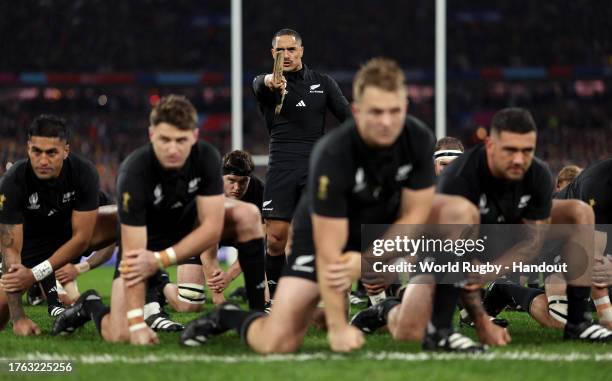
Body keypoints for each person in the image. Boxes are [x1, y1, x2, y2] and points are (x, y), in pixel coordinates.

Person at [181, 58, 500, 353]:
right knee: (278, 341)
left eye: (393, 111)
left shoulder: (416, 138)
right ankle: (229, 316)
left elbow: (417, 213)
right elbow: (330, 245)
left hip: (375, 230)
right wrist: (337, 326)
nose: (386, 121)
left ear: (404, 107)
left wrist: (372, 257)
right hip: (319, 239)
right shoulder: (334, 153)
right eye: (376, 112)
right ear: (358, 111)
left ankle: (439, 329)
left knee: (456, 212)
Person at [52, 95, 266, 345]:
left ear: (195, 136)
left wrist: (161, 260)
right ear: (152, 134)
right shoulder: (134, 171)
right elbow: (133, 251)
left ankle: (257, 315)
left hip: (186, 229)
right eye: (165, 139)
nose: (173, 149)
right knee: (121, 333)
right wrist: (136, 323)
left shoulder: (206, 157)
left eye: (181, 140)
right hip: (145, 238)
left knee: (248, 214)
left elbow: (211, 227)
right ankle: (90, 304)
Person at [435, 108, 611, 342]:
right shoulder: (458, 180)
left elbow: (534, 241)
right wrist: (481, 322)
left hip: (514, 235)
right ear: (490, 145)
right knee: (411, 323)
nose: (519, 159)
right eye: (510, 150)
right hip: (473, 241)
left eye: (526, 150)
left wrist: (494, 271)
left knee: (579, 211)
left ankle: (578, 323)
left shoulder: (537, 173)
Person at [253, 28, 352, 301]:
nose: (286, 55)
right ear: (273, 53)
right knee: (275, 240)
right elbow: (261, 83)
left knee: (321, 234)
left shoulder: (323, 82)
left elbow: (348, 118)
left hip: (314, 165)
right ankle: (278, 299)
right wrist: (270, 81)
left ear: (301, 51)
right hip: (282, 163)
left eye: (291, 49)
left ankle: (325, 296)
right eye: (280, 50)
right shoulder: (266, 85)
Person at [0, 115, 116, 335]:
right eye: (37, 151)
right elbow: (10, 250)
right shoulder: (13, 180)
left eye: (51, 152)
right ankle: (82, 306)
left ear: (65, 150)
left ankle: (146, 301)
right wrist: (19, 319)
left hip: (70, 238)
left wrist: (38, 274)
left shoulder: (83, 172)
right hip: (29, 249)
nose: (43, 160)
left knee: (123, 218)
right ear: (28, 148)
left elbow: (82, 238)